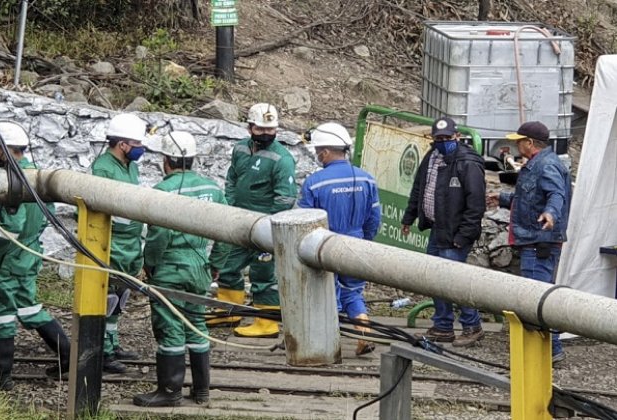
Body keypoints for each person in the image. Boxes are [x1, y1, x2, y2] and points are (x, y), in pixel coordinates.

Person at [133, 131, 228, 407]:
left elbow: (158, 236)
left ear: (166, 161)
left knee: (170, 325)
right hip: (199, 266)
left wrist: (149, 265)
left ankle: (170, 391)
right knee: (196, 323)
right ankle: (201, 391)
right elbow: (226, 231)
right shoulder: (212, 189)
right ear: (193, 159)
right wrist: (215, 265)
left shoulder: (164, 192)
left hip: (171, 267)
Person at [0, 121, 70, 390]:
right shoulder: (35, 175)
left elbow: (10, 227)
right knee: (28, 307)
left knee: (1, 315)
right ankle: (67, 354)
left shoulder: (14, 181)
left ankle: (0, 376)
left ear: (5, 149)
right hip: (27, 256)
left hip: (6, 260)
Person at [207, 103, 297, 338]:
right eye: (261, 129)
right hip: (238, 222)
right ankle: (229, 311)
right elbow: (232, 179)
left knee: (263, 275)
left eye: (271, 129)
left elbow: (285, 198)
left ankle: (267, 324)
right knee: (228, 267)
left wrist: (269, 227)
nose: (266, 134)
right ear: (250, 128)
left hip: (264, 227)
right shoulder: (240, 150)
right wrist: (230, 208)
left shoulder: (282, 159)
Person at [487, 121, 570, 363]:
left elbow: (556, 194)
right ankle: (549, 350)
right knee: (541, 296)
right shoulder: (539, 164)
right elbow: (529, 197)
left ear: (530, 143)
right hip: (535, 240)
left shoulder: (546, 167)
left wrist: (551, 213)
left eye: (519, 141)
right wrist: (502, 199)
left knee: (537, 299)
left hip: (538, 241)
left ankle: (548, 352)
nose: (515, 144)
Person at [400, 117, 486, 347]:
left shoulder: (467, 163)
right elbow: (419, 188)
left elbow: (476, 204)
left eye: (447, 138)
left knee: (454, 282)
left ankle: (472, 325)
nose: (443, 142)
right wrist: (409, 218)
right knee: (434, 279)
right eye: (438, 139)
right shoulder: (431, 157)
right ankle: (443, 326)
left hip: (456, 234)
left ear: (457, 137)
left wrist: (463, 236)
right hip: (438, 229)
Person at [297, 122, 381, 355]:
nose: (317, 156)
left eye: (317, 152)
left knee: (326, 294)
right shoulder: (366, 179)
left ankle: (326, 346)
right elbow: (374, 217)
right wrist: (365, 241)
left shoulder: (315, 182)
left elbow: (304, 221)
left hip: (324, 246)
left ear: (324, 152)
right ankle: (364, 333)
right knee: (352, 292)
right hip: (356, 244)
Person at [90, 113, 147, 374]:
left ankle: (112, 344)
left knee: (120, 298)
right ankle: (101, 351)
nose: (140, 149)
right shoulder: (103, 168)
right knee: (107, 297)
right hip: (112, 243)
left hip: (130, 243)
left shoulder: (130, 166)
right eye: (136, 144)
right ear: (122, 144)